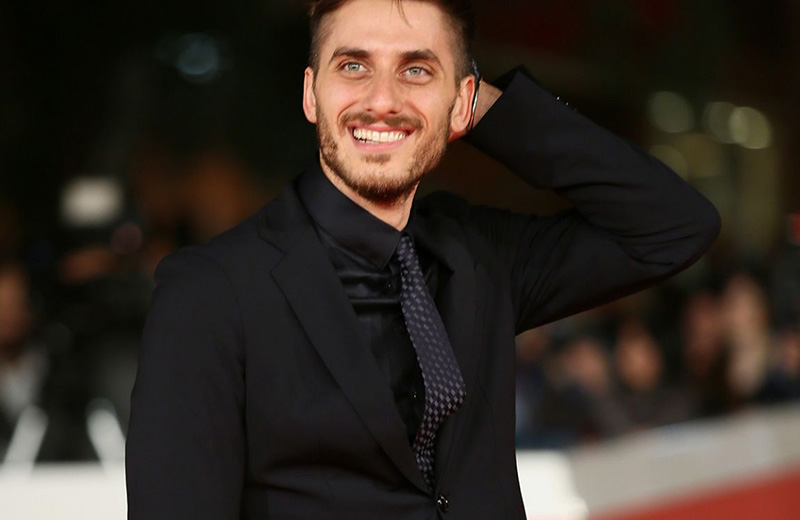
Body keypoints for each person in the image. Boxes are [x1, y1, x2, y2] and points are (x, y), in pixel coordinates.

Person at [125, 0, 720, 518]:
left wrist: (485, 106)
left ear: (461, 103)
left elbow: (673, 226)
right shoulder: (210, 293)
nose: (382, 100)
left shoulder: (483, 257)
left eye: (416, 70)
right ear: (311, 94)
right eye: (353, 66)